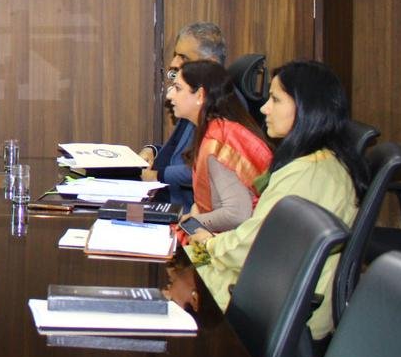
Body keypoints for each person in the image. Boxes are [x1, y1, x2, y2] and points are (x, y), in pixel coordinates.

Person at [188, 60, 367, 340]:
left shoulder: (307, 173)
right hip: (287, 290)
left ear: (306, 107)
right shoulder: (323, 161)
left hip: (281, 303)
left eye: (275, 99)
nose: (264, 108)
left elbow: (252, 248)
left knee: (185, 271)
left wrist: (205, 245)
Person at [167, 60, 273, 233]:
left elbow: (236, 214)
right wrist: (196, 210)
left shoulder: (217, 143)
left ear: (200, 96)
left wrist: (192, 222)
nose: (170, 96)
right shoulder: (217, 129)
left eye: (178, 88)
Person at [139, 21, 228, 207]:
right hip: (162, 195)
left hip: (182, 208)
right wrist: (152, 150)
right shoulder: (192, 98)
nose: (174, 63)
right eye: (175, 55)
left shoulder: (221, 105)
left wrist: (159, 175)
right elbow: (180, 151)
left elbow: (206, 168)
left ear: (210, 63)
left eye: (183, 57)